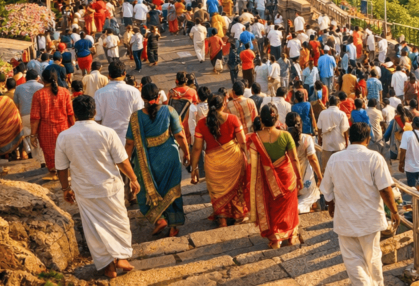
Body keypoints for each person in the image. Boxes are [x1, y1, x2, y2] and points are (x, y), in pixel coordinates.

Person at [55, 95, 139, 280]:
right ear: (94, 112)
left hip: (85, 190)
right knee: (119, 221)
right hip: (110, 187)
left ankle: (108, 266)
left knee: (94, 228)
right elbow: (122, 161)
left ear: (74, 114)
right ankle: (121, 257)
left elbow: (61, 167)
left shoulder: (64, 136)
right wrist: (133, 179)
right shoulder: (107, 132)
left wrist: (65, 189)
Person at [320, 123, 400, 286]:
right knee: (373, 257)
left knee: (352, 260)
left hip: (345, 219)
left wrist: (331, 206)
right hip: (369, 219)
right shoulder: (374, 158)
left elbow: (326, 189)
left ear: (349, 138)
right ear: (368, 139)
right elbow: (385, 189)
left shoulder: (335, 159)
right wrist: (394, 211)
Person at [126, 82, 190, 237]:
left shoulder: (135, 117)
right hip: (169, 157)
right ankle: (174, 227)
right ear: (159, 96)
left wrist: (125, 163)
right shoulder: (170, 111)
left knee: (147, 192)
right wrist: (187, 153)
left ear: (142, 98)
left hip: (146, 161)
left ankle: (160, 219)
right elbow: (179, 135)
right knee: (172, 191)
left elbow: (129, 143)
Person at [247, 105, 302, 249]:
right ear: (277, 118)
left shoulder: (255, 138)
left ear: (261, 119)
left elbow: (252, 165)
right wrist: (299, 178)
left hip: (267, 181)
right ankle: (291, 236)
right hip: (287, 178)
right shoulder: (286, 135)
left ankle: (276, 239)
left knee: (272, 209)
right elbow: (294, 159)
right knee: (290, 208)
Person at [191, 94, 249, 227]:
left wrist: (194, 168)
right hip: (233, 160)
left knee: (217, 191)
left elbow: (197, 148)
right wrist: (248, 158)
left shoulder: (201, 123)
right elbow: (242, 142)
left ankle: (222, 217)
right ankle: (237, 215)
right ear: (223, 105)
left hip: (213, 163)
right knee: (237, 187)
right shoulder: (233, 119)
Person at [30, 70, 75, 181]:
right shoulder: (64, 92)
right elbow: (70, 113)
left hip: (46, 130)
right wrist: (74, 128)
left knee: (50, 153)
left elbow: (35, 117)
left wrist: (33, 135)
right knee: (64, 151)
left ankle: (53, 171)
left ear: (43, 80)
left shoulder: (38, 95)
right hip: (64, 128)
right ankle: (66, 173)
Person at [316, 95, 349, 172]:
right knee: (339, 169)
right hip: (339, 145)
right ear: (338, 104)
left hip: (326, 144)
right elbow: (345, 130)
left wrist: (320, 139)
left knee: (326, 169)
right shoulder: (342, 114)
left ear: (329, 103)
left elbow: (319, 128)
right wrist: (347, 142)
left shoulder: (322, 113)